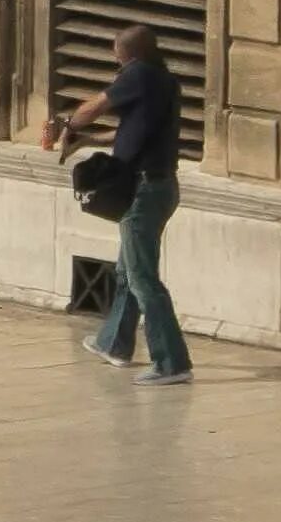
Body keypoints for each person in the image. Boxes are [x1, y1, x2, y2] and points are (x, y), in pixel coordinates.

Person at [49, 25, 193, 385]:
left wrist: (68, 123)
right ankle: (113, 342)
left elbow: (96, 106)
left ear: (124, 54)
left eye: (117, 57)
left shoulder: (139, 74)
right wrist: (87, 140)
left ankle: (172, 363)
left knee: (143, 279)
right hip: (160, 188)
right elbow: (129, 131)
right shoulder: (163, 81)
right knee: (128, 271)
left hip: (145, 190)